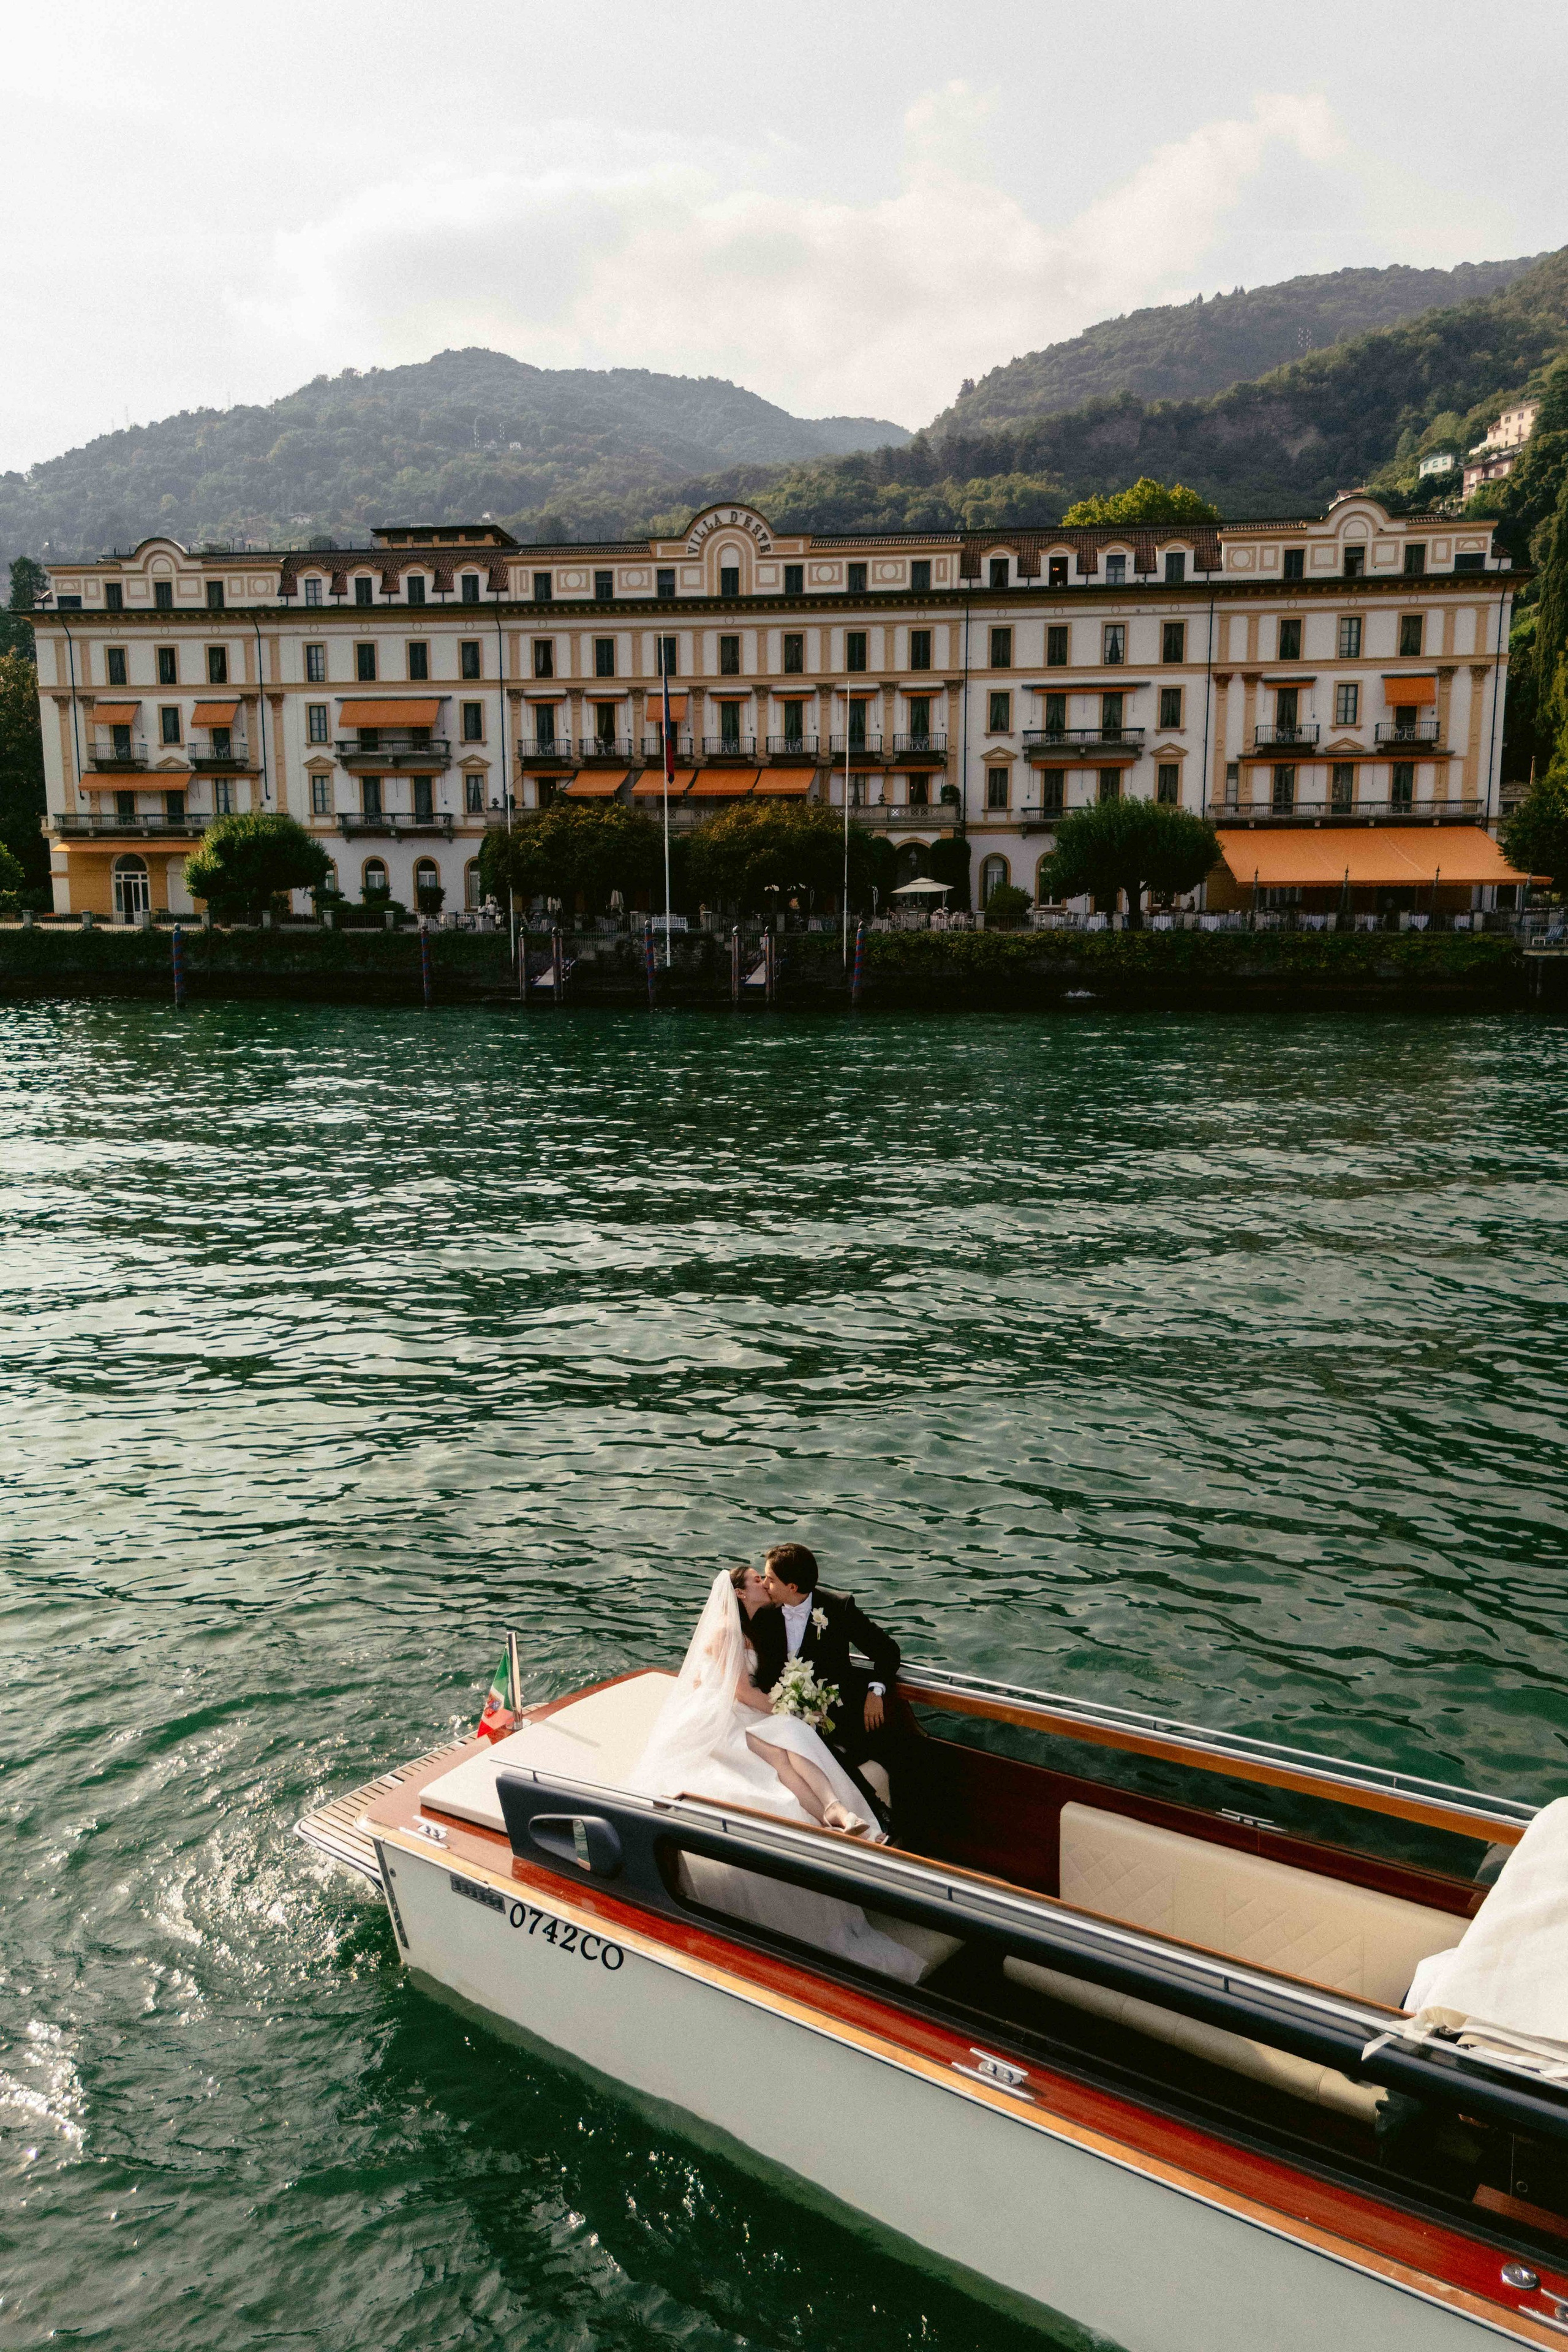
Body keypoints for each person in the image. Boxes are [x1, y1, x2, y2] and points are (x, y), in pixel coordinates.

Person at [627, 1566, 879, 1839]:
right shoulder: (726, 1630)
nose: (765, 1584)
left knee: (786, 1747)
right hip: (725, 1716)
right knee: (786, 1740)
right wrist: (790, 1711)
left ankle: (836, 1812)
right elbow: (742, 1692)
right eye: (758, 1580)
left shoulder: (752, 1624)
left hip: (745, 1710)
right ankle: (832, 1815)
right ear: (740, 1592)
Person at [748, 1543, 903, 1823]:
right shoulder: (763, 1614)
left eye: (771, 1579)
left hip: (832, 1711)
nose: (765, 1583)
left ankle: (876, 1809)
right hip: (780, 1710)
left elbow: (887, 1651)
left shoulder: (838, 1608)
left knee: (821, 1741)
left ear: (792, 1587)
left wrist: (875, 1691)